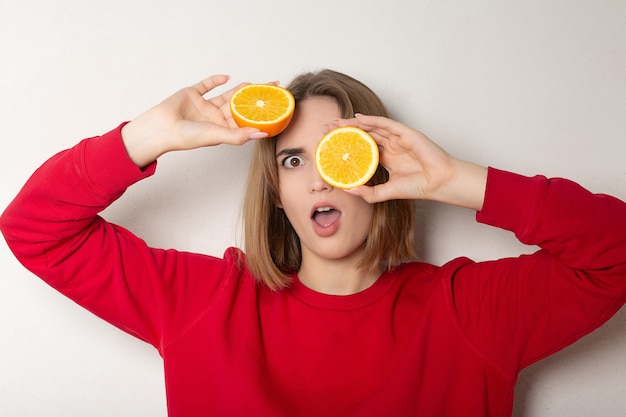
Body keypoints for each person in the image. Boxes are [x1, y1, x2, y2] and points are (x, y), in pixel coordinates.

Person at [2, 69, 626, 417]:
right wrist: (145, 137)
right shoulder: (203, 302)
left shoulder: (467, 314)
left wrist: (456, 180)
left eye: (340, 151)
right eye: (294, 159)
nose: (322, 175)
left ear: (379, 169)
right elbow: (33, 229)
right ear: (276, 190)